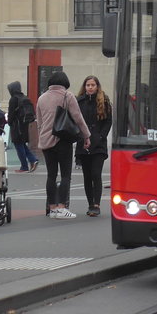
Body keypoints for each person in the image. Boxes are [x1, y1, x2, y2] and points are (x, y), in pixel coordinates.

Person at [35, 71, 90, 219]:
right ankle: (62, 207)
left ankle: (52, 208)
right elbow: (78, 118)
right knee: (66, 175)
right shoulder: (68, 96)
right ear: (65, 83)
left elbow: (39, 122)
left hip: (46, 141)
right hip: (63, 140)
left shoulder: (41, 98)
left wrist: (44, 135)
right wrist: (86, 135)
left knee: (51, 175)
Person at [76, 75, 113, 217]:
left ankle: (96, 204)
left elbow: (108, 121)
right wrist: (81, 136)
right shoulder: (79, 101)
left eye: (93, 85)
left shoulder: (104, 101)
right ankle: (90, 203)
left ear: (97, 86)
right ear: (84, 87)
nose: (90, 87)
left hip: (98, 144)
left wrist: (101, 136)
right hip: (83, 143)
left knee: (96, 174)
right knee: (87, 175)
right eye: (87, 85)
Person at [7, 81, 39, 173]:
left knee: (18, 145)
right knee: (22, 144)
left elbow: (11, 113)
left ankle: (24, 166)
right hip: (25, 125)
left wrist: (9, 122)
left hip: (16, 125)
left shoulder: (13, 99)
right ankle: (33, 160)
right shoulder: (25, 97)